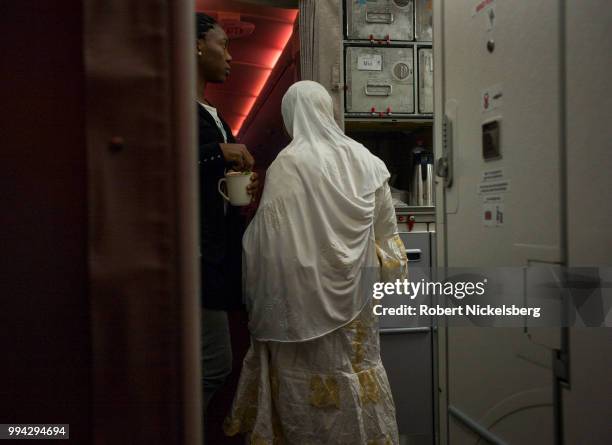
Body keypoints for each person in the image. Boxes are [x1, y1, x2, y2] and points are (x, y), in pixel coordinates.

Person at [224, 81, 408, 444]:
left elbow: (269, 242)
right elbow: (388, 242)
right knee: (358, 375)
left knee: (306, 390)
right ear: (329, 111)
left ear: (291, 116)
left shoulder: (289, 164)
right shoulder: (369, 163)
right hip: (358, 304)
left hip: (301, 306)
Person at [195, 12, 259, 411]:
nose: (230, 56)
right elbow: (159, 163)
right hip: (196, 257)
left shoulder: (213, 112)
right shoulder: (170, 108)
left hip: (215, 257)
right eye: (224, 45)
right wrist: (217, 153)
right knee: (215, 365)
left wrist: (241, 185)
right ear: (197, 46)